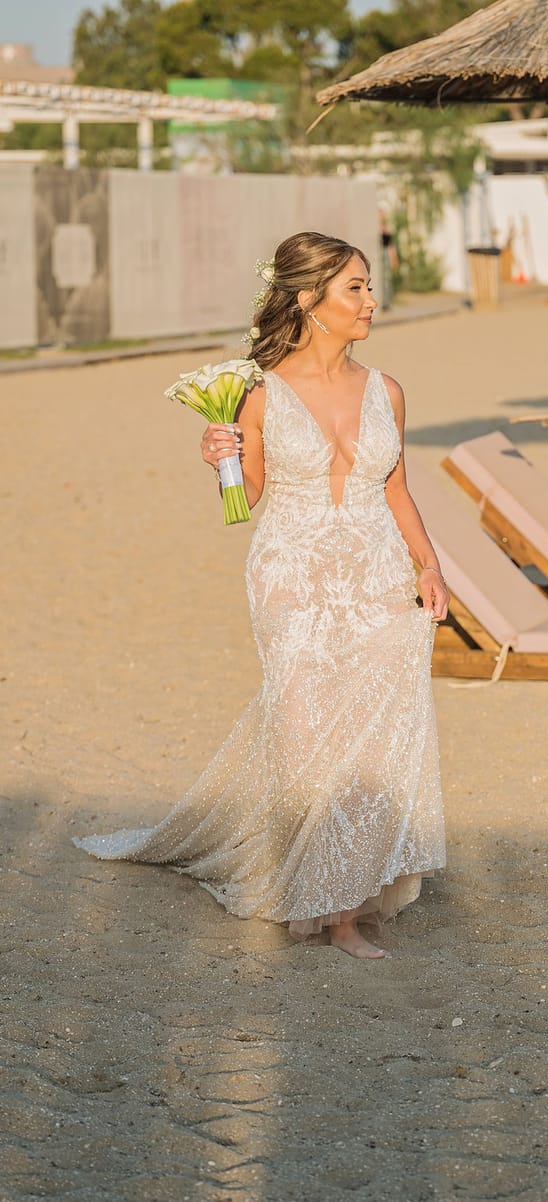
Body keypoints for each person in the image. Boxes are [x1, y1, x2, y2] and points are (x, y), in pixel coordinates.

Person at [74, 231, 449, 960]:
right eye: (356, 289)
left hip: (378, 580)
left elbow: (396, 487)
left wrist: (428, 567)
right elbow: (243, 500)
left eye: (370, 287)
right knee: (306, 738)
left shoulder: (388, 391)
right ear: (308, 300)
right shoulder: (257, 388)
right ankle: (320, 895)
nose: (372, 301)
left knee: (374, 738)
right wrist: (218, 458)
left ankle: (345, 911)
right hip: (293, 579)